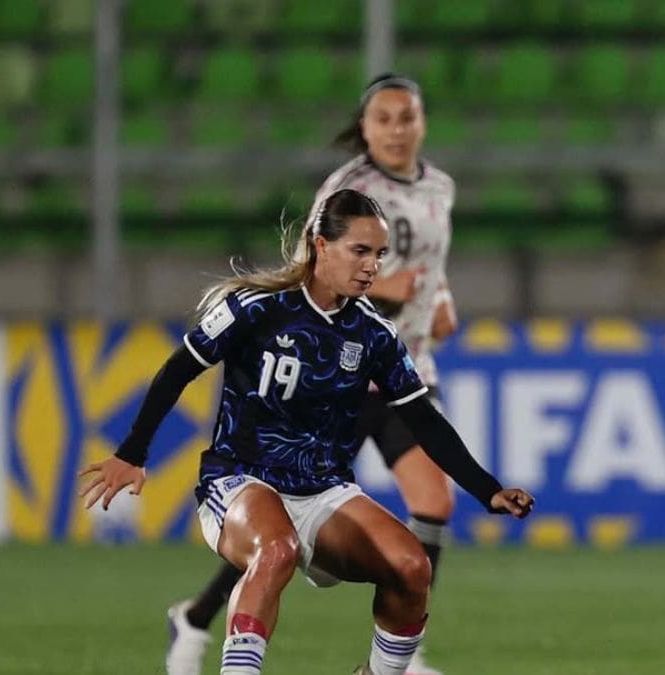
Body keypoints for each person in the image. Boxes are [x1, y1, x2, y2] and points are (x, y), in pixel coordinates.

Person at [79, 188, 534, 675]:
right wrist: (133, 451)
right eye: (359, 251)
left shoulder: (375, 333)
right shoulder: (254, 309)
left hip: (322, 491)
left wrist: (487, 489)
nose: (371, 266)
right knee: (275, 550)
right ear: (321, 245)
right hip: (239, 480)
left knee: (411, 567)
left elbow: (422, 417)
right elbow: (177, 370)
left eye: (379, 255)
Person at [165, 74, 461, 675]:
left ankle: (406, 650)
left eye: (407, 118)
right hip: (337, 379)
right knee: (285, 512)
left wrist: (441, 297)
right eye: (384, 119)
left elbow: (429, 260)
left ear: (422, 123)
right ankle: (197, 617)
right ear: (365, 126)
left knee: (434, 500)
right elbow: (310, 267)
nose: (397, 130)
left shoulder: (440, 187)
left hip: (405, 372)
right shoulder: (348, 187)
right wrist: (382, 288)